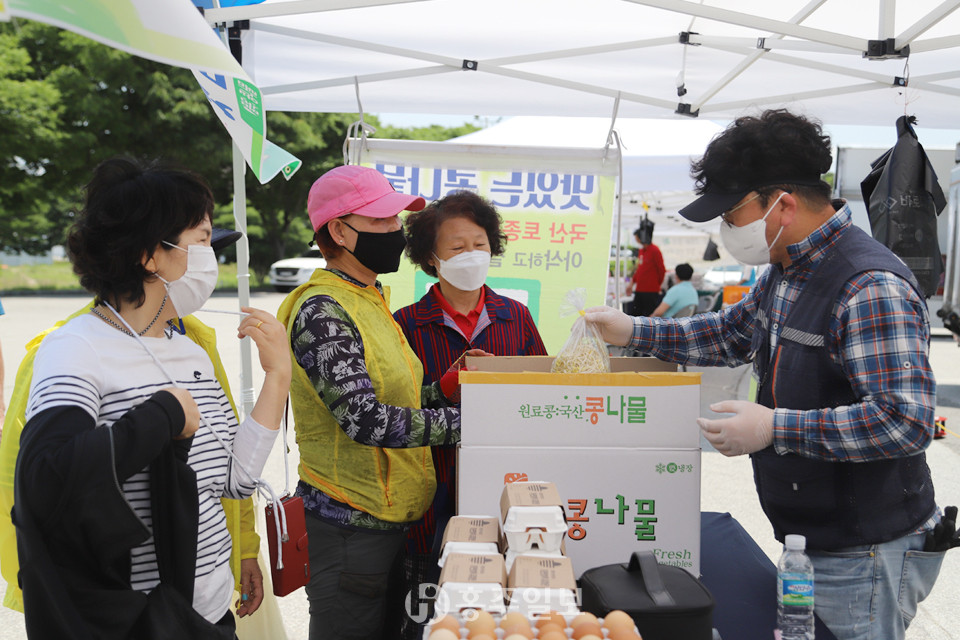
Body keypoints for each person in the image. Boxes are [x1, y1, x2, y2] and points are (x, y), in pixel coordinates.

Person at [585, 109, 945, 640]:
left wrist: (776, 427)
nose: (727, 229)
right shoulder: (790, 268)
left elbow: (903, 421)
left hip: (866, 550)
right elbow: (731, 333)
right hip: (817, 536)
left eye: (733, 214)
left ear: (784, 203)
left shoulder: (868, 285)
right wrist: (633, 332)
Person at [12, 157, 290, 639]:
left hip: (206, 614)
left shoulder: (188, 350)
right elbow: (44, 477)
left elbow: (235, 479)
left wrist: (277, 376)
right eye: (200, 240)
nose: (210, 257)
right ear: (148, 255)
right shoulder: (77, 347)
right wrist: (160, 415)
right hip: (133, 621)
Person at [276, 165, 463, 640]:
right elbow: (364, 418)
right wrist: (464, 424)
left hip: (383, 521)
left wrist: (443, 387)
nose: (396, 232)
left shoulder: (368, 296)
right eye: (380, 222)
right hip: (347, 524)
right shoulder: (323, 311)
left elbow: (392, 396)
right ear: (338, 230)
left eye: (395, 221)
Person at [391, 190, 547, 638]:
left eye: (479, 244)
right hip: (430, 489)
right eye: (457, 248)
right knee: (429, 602)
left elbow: (542, 394)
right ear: (430, 259)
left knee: (497, 604)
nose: (471, 255)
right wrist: (444, 386)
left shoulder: (514, 316)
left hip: (503, 485)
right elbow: (395, 409)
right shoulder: (406, 323)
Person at [625, 221, 666, 316]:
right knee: (635, 314)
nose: (637, 241)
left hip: (651, 290)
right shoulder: (642, 251)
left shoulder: (655, 250)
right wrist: (632, 283)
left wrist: (656, 284)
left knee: (649, 315)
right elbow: (639, 270)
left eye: (637, 239)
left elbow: (661, 269)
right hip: (640, 289)